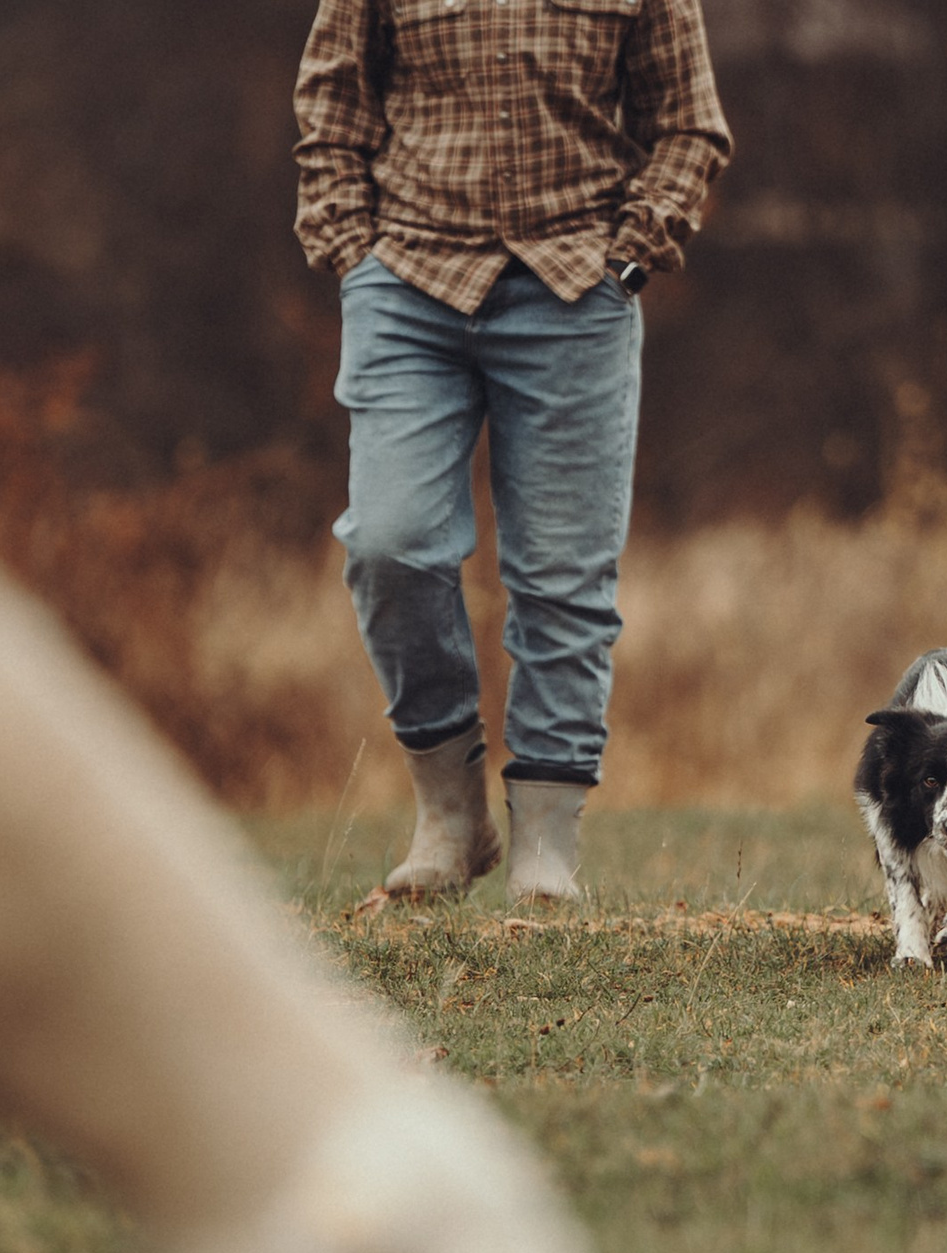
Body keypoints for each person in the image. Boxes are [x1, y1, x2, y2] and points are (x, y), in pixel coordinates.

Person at [294, 0, 730, 901]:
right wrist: (351, 249)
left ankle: (546, 844)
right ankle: (450, 817)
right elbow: (331, 101)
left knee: (562, 576)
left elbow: (689, 124)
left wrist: (635, 254)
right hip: (408, 279)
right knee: (388, 541)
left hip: (574, 286)